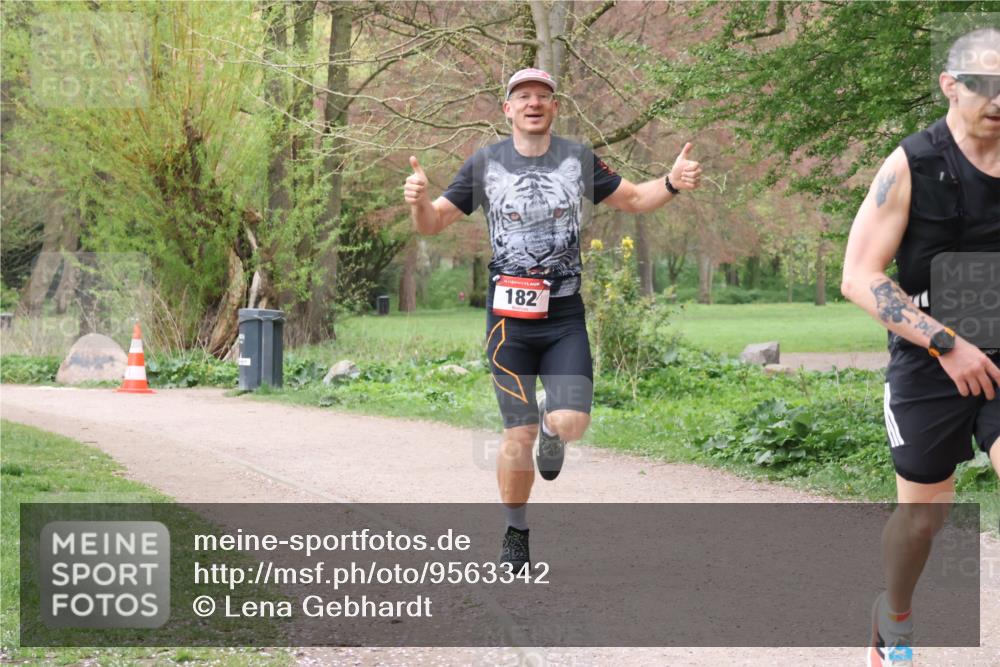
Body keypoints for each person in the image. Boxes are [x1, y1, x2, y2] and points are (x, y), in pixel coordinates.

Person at [403, 67, 702, 569]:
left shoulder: (576, 159)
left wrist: (672, 182)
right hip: (508, 323)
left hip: (563, 317)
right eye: (523, 96)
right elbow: (433, 223)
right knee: (515, 434)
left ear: (555, 107)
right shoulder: (485, 163)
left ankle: (550, 422)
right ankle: (515, 533)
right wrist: (417, 203)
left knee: (572, 423)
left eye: (543, 96)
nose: (533, 103)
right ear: (508, 109)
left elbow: (633, 199)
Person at [840, 28, 1000, 667]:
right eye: (984, 84)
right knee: (923, 520)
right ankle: (896, 615)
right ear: (950, 86)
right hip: (930, 353)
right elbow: (859, 276)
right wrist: (946, 343)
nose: (998, 98)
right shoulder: (913, 163)